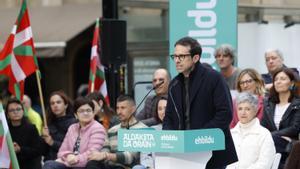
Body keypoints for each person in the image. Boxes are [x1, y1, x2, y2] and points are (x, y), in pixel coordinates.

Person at [163, 36, 238, 168]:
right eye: (174, 56)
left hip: (212, 150)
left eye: (182, 56)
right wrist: (169, 137)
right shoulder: (174, 84)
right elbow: (169, 116)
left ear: (195, 58)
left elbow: (225, 113)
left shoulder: (214, 78)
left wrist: (199, 137)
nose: (177, 60)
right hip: (181, 152)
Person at [86, 95, 148, 169]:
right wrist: (100, 155)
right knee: (92, 164)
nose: (119, 112)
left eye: (123, 108)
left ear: (133, 109)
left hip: (127, 167)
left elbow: (130, 157)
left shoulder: (143, 129)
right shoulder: (112, 130)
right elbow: (105, 150)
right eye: (117, 108)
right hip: (110, 165)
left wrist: (106, 155)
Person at [43, 97, 106, 169]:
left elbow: (92, 154)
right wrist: (68, 155)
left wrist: (74, 160)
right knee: (49, 164)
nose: (85, 113)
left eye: (88, 110)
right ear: (76, 115)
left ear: (93, 113)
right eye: (81, 111)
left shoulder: (97, 128)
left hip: (86, 165)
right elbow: (61, 152)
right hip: (70, 164)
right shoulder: (72, 128)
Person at [261, 68, 300, 168]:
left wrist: (271, 135)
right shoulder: (268, 104)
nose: (278, 82)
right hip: (271, 140)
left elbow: (294, 128)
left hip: (290, 141)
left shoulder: (297, 104)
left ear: (291, 83)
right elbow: (263, 125)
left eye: (282, 79)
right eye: (276, 79)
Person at [227, 92, 276, 169]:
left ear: (255, 111)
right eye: (240, 109)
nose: (243, 112)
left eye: (247, 109)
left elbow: (265, 163)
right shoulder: (231, 134)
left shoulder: (264, 134)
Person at [5, 98, 42, 169]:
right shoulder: (6, 130)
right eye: (12, 110)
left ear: (23, 111)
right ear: (8, 115)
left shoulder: (31, 128)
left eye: (18, 109)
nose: (15, 112)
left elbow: (37, 151)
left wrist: (20, 149)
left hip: (29, 165)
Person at [41, 90, 77, 161]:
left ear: (66, 105)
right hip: (48, 162)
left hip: (66, 162)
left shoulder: (74, 123)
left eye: (58, 102)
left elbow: (73, 148)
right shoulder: (48, 124)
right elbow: (43, 151)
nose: (55, 105)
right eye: (52, 103)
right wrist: (43, 138)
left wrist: (52, 142)